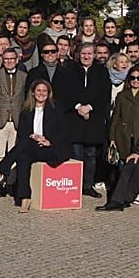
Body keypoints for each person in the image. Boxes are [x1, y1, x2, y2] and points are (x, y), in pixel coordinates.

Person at [0, 79, 71, 212]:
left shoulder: (56, 107)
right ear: (33, 93)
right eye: (38, 90)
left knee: (25, 146)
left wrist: (48, 141)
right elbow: (23, 135)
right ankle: (25, 197)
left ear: (49, 93)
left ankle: (0, 171)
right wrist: (34, 137)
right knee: (23, 157)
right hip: (34, 147)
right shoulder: (27, 110)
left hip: (53, 149)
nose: (41, 93)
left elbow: (64, 131)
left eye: (44, 91)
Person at [55, 42, 111, 197]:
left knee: (91, 155)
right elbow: (62, 93)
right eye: (84, 53)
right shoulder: (69, 70)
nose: (86, 57)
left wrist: (90, 107)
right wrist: (78, 106)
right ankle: (74, 184)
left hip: (93, 118)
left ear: (94, 55)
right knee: (76, 153)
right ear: (79, 54)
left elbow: (105, 94)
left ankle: (87, 185)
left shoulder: (102, 72)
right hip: (74, 118)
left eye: (90, 54)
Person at [0, 46, 27, 195]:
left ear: (17, 60)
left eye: (12, 59)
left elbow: (24, 98)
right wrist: (0, 109)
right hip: (0, 119)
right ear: (2, 60)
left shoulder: (24, 76)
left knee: (14, 154)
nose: (9, 61)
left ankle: (11, 184)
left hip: (17, 120)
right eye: (6, 59)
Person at [108, 67, 139, 168]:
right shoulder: (121, 95)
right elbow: (116, 118)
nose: (136, 80)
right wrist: (112, 138)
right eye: (133, 78)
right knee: (122, 166)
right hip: (123, 135)